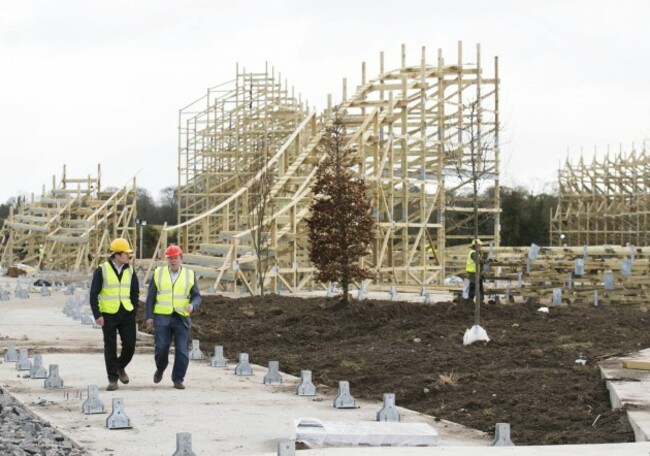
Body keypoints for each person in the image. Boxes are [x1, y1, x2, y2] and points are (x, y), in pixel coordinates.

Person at [145, 245, 201, 390]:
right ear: (167, 259)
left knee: (182, 350)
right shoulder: (158, 273)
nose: (173, 261)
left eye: (176, 258)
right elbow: (150, 297)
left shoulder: (189, 274)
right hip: (162, 317)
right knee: (162, 347)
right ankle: (161, 367)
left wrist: (193, 305)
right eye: (170, 258)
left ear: (181, 258)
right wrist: (149, 316)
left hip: (181, 317)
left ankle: (178, 379)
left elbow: (197, 296)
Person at [89, 237, 139, 391]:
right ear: (117, 255)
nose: (129, 257)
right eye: (126, 254)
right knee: (110, 346)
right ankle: (112, 379)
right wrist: (97, 314)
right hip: (108, 314)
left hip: (126, 313)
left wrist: (133, 309)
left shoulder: (130, 270)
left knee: (130, 345)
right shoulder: (102, 269)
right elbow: (93, 293)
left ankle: (120, 366)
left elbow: (134, 292)